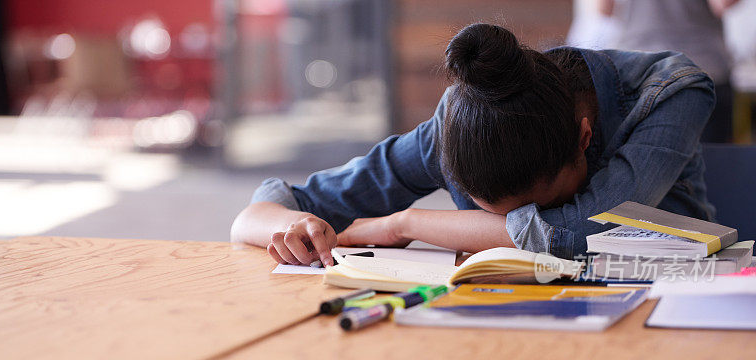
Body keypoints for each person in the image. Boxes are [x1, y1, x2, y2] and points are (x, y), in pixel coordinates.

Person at [231, 23, 716, 265]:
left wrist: (406, 222)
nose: (516, 227)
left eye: (533, 210)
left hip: (663, 309)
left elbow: (585, 229)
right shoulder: (456, 131)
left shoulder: (670, 92)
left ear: (584, 138)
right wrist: (295, 226)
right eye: (495, 216)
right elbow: (262, 213)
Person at [604, 0, 740, 142]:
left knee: (640, 159)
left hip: (636, 67)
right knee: (713, 160)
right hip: (698, 66)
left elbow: (604, 9)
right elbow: (722, 3)